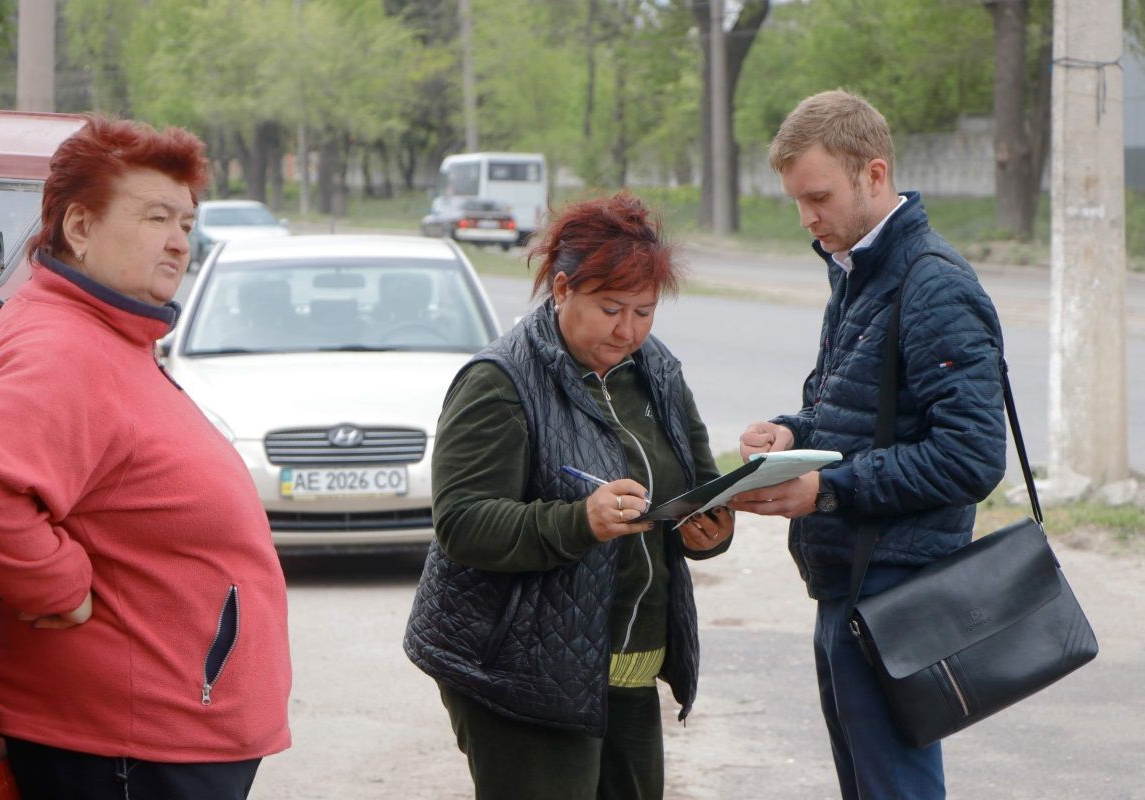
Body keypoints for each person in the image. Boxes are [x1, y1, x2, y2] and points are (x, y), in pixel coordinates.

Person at [0, 116, 291, 799]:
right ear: (80, 227)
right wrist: (58, 584)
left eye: (186, 223)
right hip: (128, 749)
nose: (179, 241)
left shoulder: (104, 332)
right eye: (156, 217)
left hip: (156, 739)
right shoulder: (63, 348)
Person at [404, 193, 734, 799]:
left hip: (628, 662)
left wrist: (710, 529)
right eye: (610, 309)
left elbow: (699, 484)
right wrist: (581, 520)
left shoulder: (656, 370)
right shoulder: (500, 381)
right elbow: (462, 522)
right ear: (562, 289)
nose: (628, 330)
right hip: (519, 671)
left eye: (644, 311)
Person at [727, 89, 1006, 800]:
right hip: (850, 582)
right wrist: (793, 432)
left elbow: (972, 457)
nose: (806, 217)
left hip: (897, 592)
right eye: (797, 200)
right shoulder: (858, 270)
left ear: (874, 174)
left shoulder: (933, 284)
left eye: (818, 197)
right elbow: (857, 412)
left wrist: (828, 488)